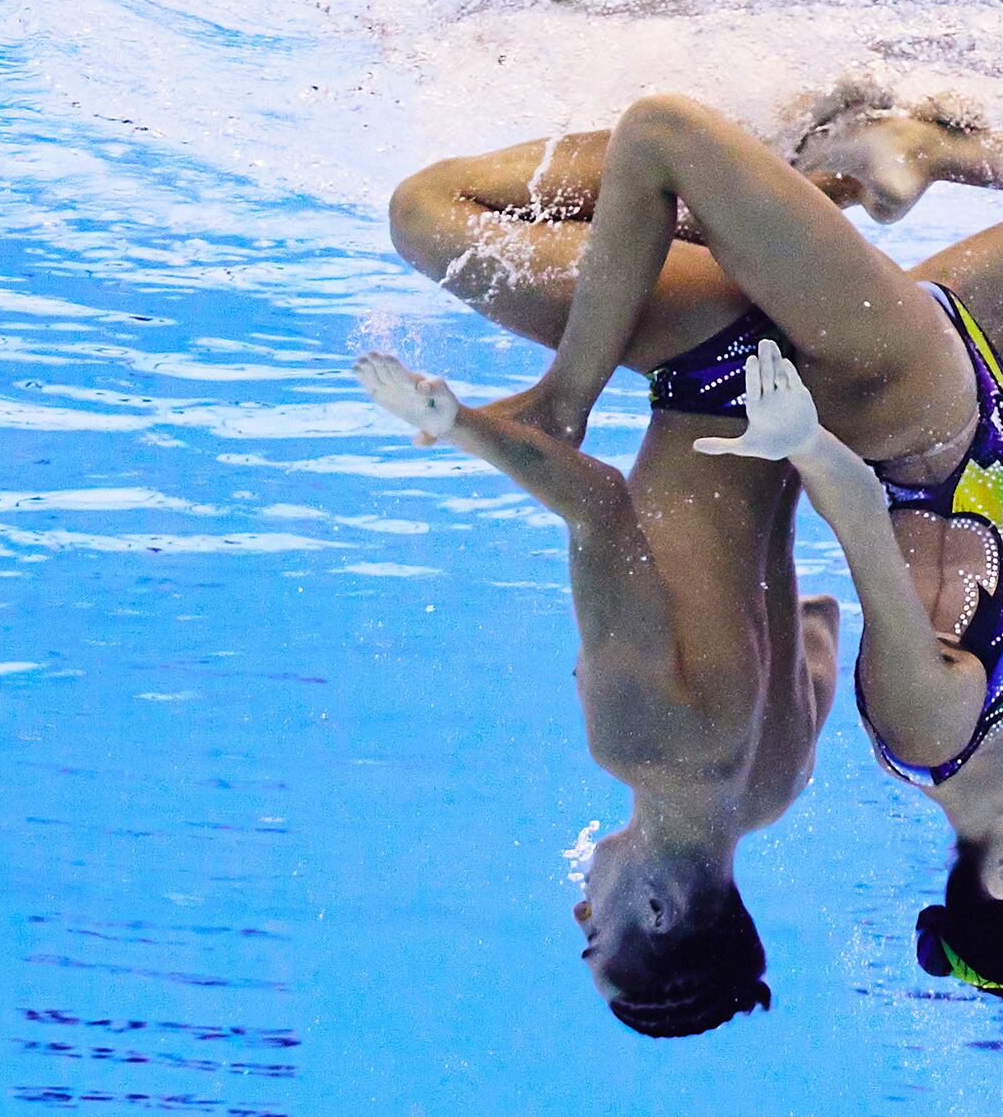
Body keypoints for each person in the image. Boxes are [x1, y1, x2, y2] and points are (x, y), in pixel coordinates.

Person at [377, 81, 1003, 1002]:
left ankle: (785, 192)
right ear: (651, 913)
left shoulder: (912, 752)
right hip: (881, 377)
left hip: (896, 380)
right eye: (589, 938)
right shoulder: (772, 776)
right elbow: (811, 600)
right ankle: (785, 193)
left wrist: (788, 466)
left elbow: (827, 579)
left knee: (655, 143)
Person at [350, 328, 840, 1037]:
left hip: (803, 375)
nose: (581, 910)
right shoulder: (638, 746)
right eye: (593, 936)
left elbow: (820, 619)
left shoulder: (777, 785)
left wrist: (714, 593)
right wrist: (454, 424)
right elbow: (601, 504)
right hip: (710, 352)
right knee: (420, 222)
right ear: (657, 911)